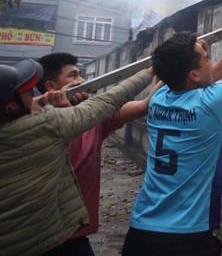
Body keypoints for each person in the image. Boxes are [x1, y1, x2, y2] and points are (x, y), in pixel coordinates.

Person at [122, 13, 222, 256]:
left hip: (142, 229)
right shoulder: (208, 104)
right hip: (186, 236)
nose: (211, 63)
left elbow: (204, 77)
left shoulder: (158, 98)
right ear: (193, 75)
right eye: (206, 59)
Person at [0, 59, 153, 256]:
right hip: (56, 242)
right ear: (12, 107)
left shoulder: (32, 122)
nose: (81, 80)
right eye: (30, 94)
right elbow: (108, 100)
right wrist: (151, 71)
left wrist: (48, 101)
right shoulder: (48, 125)